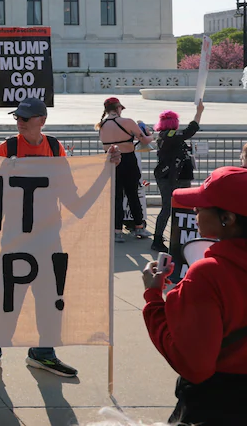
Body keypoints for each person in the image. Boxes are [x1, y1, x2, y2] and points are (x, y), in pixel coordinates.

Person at [0, 97, 103, 380]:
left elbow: (74, 203)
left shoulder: (55, 149)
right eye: (17, 117)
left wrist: (107, 172)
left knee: (50, 300)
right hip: (15, 239)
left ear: (41, 121)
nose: (19, 122)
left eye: (25, 118)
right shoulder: (9, 147)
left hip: (49, 239)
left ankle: (43, 354)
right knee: (7, 300)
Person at [141, 166, 247, 426]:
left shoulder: (210, 274)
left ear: (228, 218)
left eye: (201, 206)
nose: (194, 211)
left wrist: (154, 297)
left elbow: (194, 365)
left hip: (218, 406)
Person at [151, 101, 204, 252]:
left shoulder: (166, 136)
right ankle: (157, 239)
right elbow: (189, 131)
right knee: (168, 207)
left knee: (176, 207)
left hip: (176, 176)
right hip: (172, 177)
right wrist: (199, 112)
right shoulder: (169, 135)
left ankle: (176, 238)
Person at [98, 96, 153, 242]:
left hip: (111, 162)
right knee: (133, 195)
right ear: (118, 108)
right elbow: (145, 140)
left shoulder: (101, 125)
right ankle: (139, 227)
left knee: (116, 198)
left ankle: (117, 231)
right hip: (128, 160)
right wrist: (150, 134)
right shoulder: (127, 122)